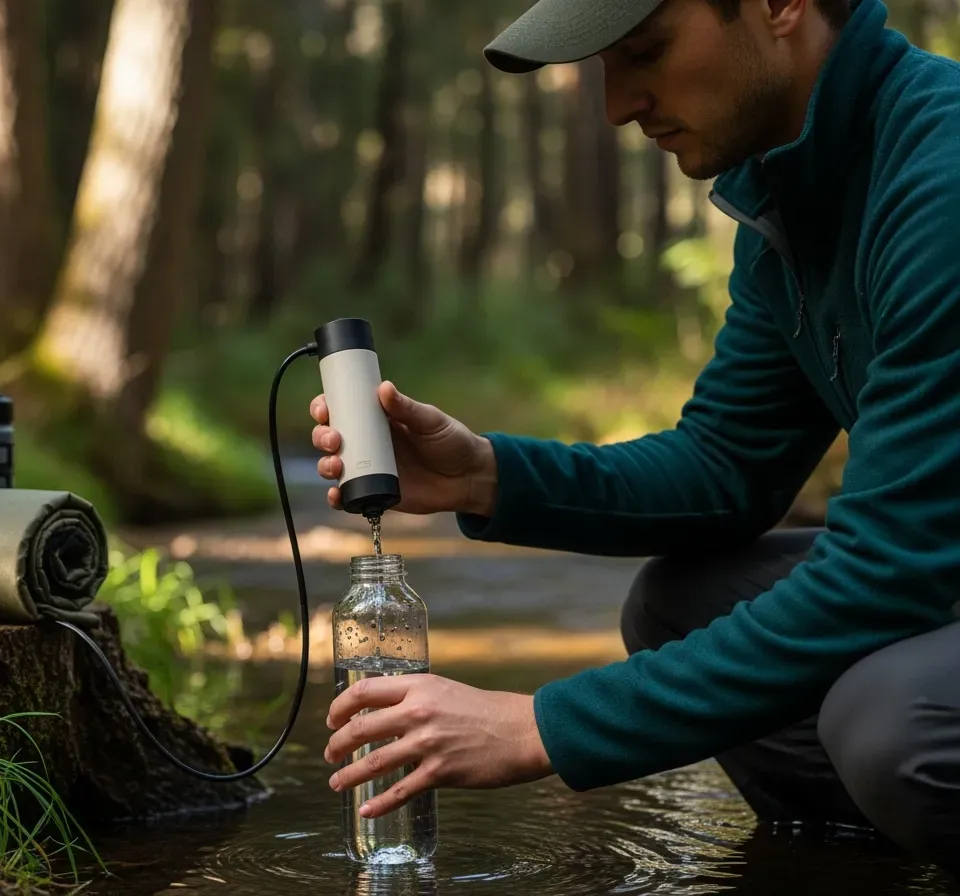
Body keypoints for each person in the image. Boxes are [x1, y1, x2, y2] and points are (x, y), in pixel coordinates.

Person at [311, 0, 960, 870]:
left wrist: (540, 726)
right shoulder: (796, 190)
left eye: (645, 51)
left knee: (894, 723)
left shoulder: (941, 179)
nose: (618, 106)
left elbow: (889, 570)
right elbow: (729, 465)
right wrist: (487, 476)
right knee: (680, 602)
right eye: (603, 68)